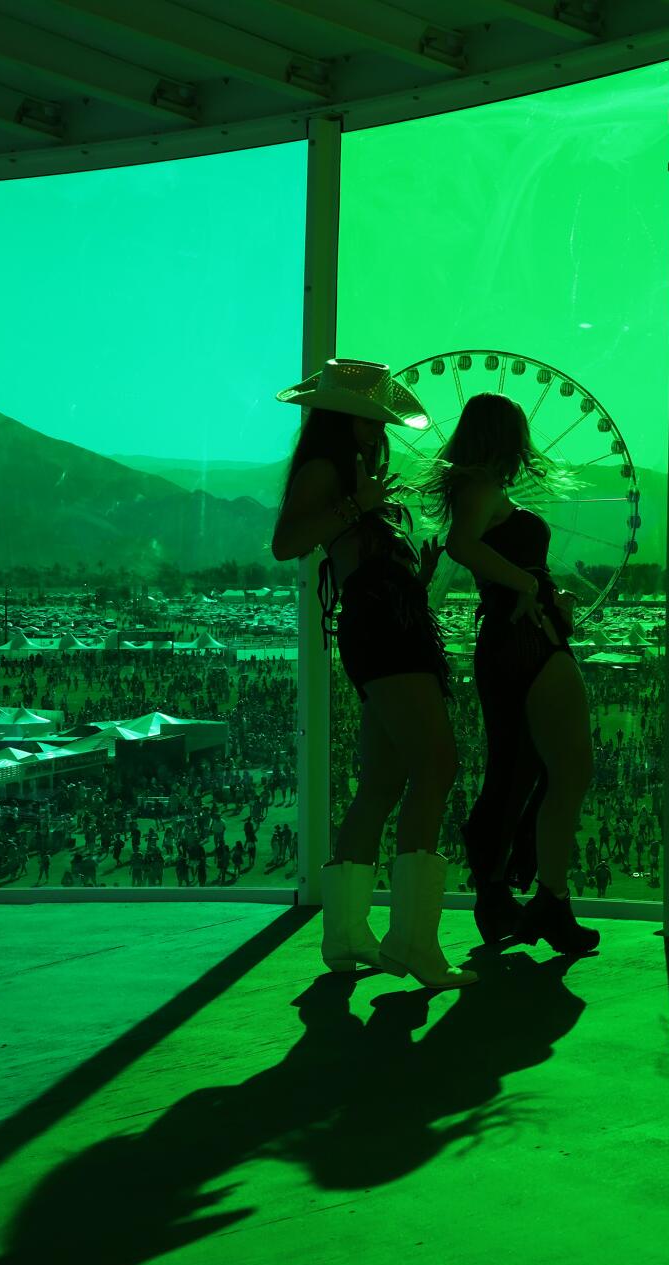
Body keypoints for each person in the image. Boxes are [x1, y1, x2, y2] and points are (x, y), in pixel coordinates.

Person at [270, 359, 473, 989]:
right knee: (437, 764)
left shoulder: (349, 471)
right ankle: (411, 941)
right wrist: (357, 503)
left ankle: (347, 935)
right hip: (385, 632)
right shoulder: (330, 471)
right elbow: (286, 542)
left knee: (383, 782)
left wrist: (418, 578)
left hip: (384, 623)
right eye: (373, 418)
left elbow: (358, 560)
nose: (379, 429)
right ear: (352, 418)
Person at [420, 392, 599, 956]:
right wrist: (527, 585)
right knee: (569, 770)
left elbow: (486, 554)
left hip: (507, 639)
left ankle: (506, 891)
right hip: (530, 641)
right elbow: (462, 546)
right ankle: (549, 898)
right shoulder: (482, 490)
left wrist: (543, 587)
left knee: (518, 768)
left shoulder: (477, 489)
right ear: (504, 437)